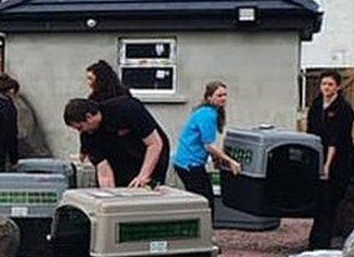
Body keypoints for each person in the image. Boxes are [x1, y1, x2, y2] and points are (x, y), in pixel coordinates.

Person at [64, 96, 170, 188]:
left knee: (145, 188)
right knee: (123, 189)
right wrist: (109, 198)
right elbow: (104, 172)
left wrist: (143, 176)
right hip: (121, 159)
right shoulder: (88, 136)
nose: (81, 132)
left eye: (80, 127)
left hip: (150, 152)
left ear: (89, 117)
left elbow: (155, 144)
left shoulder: (127, 109)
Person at [172, 81, 242, 209]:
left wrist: (217, 160)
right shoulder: (207, 115)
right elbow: (209, 145)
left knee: (200, 200)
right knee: (205, 203)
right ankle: (205, 228)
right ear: (209, 97)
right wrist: (230, 161)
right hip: (189, 164)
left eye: (225, 95)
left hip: (187, 162)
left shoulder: (208, 112)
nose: (223, 98)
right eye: (219, 95)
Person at [306, 70, 354, 249]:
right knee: (319, 201)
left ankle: (324, 242)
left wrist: (327, 166)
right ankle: (315, 240)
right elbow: (311, 132)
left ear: (338, 87)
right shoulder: (317, 104)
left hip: (339, 161)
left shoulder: (343, 109)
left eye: (330, 85)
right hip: (319, 154)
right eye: (324, 84)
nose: (326, 88)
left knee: (331, 201)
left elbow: (336, 139)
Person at [81, 60, 132, 162]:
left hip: (113, 144)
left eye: (91, 79)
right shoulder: (124, 93)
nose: (88, 83)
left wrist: (84, 150)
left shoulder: (94, 99)